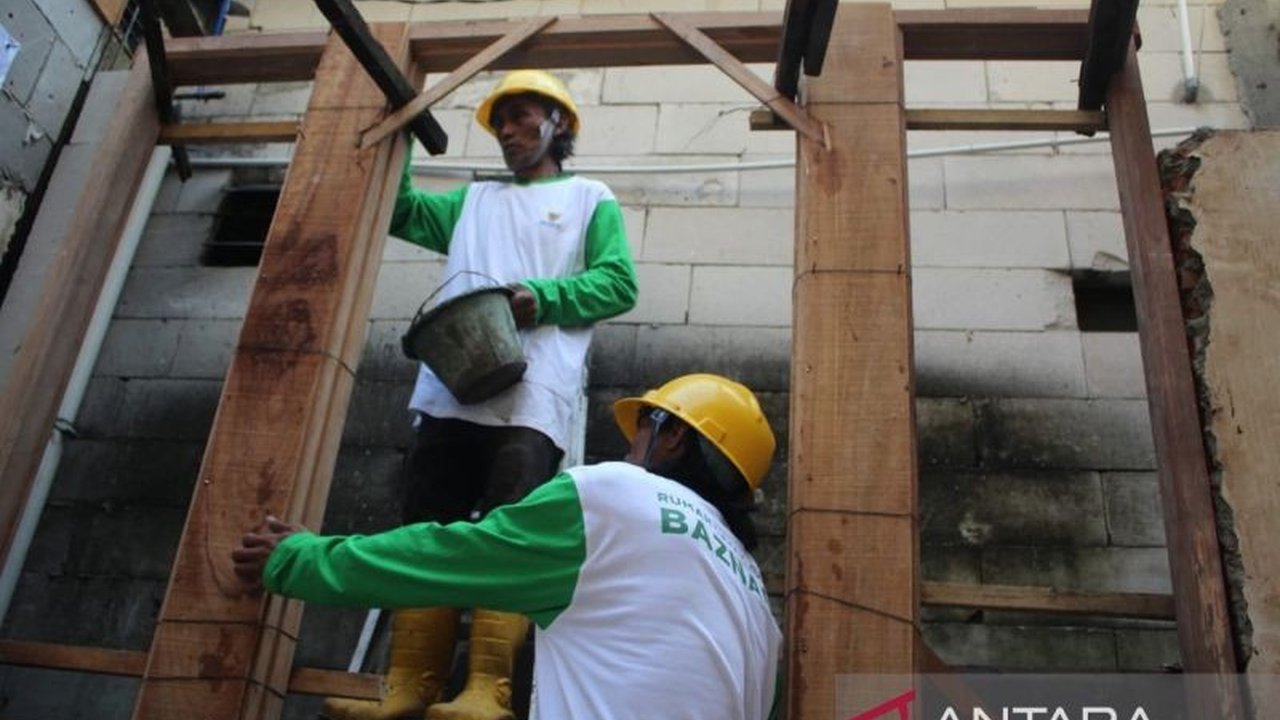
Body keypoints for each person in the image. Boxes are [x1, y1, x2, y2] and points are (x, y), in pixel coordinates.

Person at [326, 69, 637, 720]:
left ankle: (486, 689)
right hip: (451, 386)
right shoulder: (474, 202)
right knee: (424, 527)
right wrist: (404, 133)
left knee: (509, 530)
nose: (507, 131)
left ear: (558, 122)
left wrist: (542, 297)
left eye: (521, 116)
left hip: (533, 395)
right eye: (500, 121)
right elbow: (401, 210)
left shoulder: (589, 198)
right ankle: (408, 683)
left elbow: (617, 283)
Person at [233, 373, 782, 720]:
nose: (630, 444)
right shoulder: (755, 600)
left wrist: (300, 558)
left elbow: (447, 558)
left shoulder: (617, 495)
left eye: (642, 426)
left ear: (673, 435)